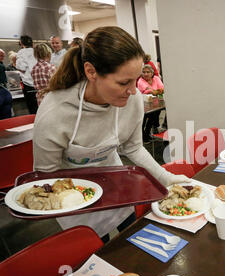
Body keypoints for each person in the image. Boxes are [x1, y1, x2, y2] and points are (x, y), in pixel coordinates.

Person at [33, 26, 190, 243]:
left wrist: (167, 178)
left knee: (131, 240)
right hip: (74, 198)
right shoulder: (55, 113)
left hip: (116, 184)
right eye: (124, 82)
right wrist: (80, 197)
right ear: (91, 72)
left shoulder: (131, 98)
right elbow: (46, 176)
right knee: (98, 250)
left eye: (135, 80)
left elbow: (133, 147)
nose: (134, 90)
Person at [137, 64, 164, 143]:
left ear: (152, 73)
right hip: (144, 105)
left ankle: (147, 133)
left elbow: (161, 88)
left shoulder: (156, 78)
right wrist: (153, 91)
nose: (145, 74)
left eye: (148, 72)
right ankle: (143, 136)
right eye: (144, 72)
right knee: (143, 120)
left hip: (155, 104)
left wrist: (151, 90)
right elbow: (150, 91)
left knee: (154, 116)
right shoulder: (140, 81)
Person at [16, 35, 38, 114]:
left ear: (21, 43)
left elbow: (22, 68)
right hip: (39, 83)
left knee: (33, 108)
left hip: (28, 84)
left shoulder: (21, 52)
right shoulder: (36, 51)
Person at [0, 48, 12, 119]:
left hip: (4, 89)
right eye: (1, 56)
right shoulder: (1, 66)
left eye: (3, 56)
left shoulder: (2, 65)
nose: (2, 58)